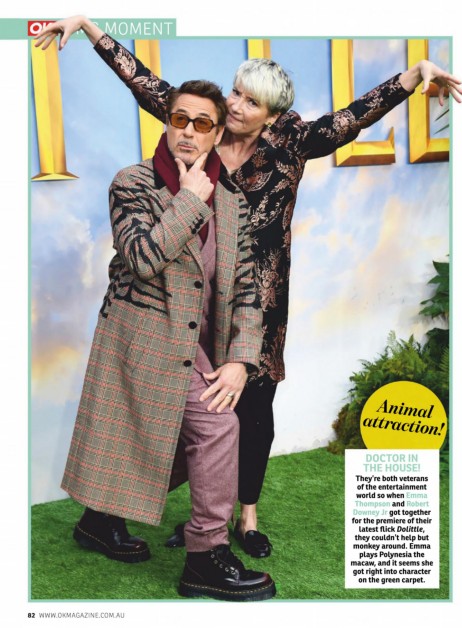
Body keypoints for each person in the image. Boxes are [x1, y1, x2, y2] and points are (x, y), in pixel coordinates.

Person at [35, 17, 462, 558]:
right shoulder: (204, 126)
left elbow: (353, 117)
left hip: (254, 299)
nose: (236, 105)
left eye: (251, 101)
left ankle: (246, 517)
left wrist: (415, 74)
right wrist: (91, 28)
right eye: (236, 92)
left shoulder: (292, 142)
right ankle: (174, 516)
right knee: (191, 409)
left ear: (273, 116)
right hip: (187, 290)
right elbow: (143, 81)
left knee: (252, 407)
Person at [58, 77, 275, 602]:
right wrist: (190, 201)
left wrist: (241, 360)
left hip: (198, 344)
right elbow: (141, 258)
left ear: (218, 133)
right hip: (141, 335)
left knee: (191, 433)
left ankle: (99, 518)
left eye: (203, 123)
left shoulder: (233, 200)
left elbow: (249, 288)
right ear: (167, 122)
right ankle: (204, 557)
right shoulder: (132, 182)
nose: (189, 132)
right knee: (212, 429)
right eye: (180, 119)